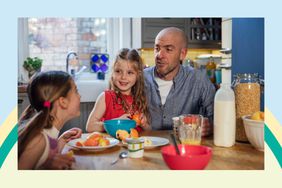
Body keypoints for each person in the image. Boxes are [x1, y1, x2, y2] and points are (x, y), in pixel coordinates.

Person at [143, 27, 215, 136]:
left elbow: (218, 118)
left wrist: (210, 126)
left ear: (182, 54)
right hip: (147, 147)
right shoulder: (140, 78)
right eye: (157, 48)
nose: (159, 55)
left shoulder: (199, 80)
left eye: (168, 49)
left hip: (185, 147)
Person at [18, 71, 82, 170]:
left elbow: (45, 155)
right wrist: (45, 168)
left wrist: (62, 140)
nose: (80, 96)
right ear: (63, 102)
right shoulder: (39, 140)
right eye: (76, 91)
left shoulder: (47, 136)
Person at [86, 48, 150, 133]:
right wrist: (115, 123)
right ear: (113, 72)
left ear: (138, 75)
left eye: (130, 72)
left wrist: (144, 124)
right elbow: (90, 126)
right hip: (113, 145)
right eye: (118, 71)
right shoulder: (105, 97)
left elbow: (149, 130)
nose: (123, 77)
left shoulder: (140, 98)